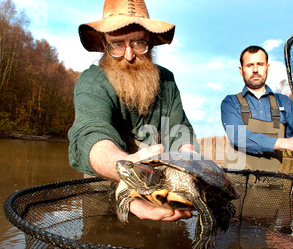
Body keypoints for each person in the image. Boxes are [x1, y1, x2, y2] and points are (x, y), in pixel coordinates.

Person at [68, 0, 199, 222]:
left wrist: (188, 159)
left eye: (138, 43)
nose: (129, 55)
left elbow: (179, 130)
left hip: (159, 183)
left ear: (151, 42)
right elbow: (91, 133)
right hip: (103, 184)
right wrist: (127, 170)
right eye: (117, 44)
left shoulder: (166, 80)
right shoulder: (92, 81)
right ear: (103, 42)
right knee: (102, 244)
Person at [221, 45, 293, 171]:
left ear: (267, 67)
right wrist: (285, 143)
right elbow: (239, 138)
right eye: (250, 65)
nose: (255, 70)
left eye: (260, 64)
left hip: (272, 187)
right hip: (234, 186)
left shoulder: (285, 102)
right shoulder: (230, 102)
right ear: (241, 70)